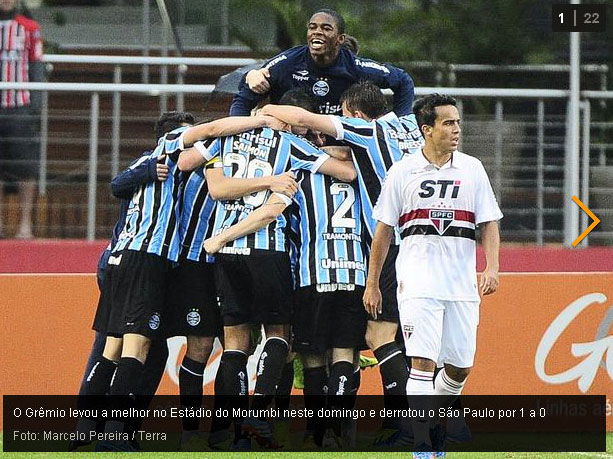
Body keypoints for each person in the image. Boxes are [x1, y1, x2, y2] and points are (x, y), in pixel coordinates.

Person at [83, 113, 283, 452]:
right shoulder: (176, 157)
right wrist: (259, 120)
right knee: (141, 345)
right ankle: (118, 431)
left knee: (125, 345)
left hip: (149, 260)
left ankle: (94, 427)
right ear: (178, 137)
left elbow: (117, 184)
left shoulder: (150, 166)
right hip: (167, 262)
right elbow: (213, 133)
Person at [177, 95, 356, 450]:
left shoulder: (223, 139)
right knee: (279, 334)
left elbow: (204, 178)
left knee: (235, 344)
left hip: (226, 251)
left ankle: (224, 430)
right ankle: (258, 411)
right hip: (267, 248)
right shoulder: (290, 144)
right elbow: (347, 172)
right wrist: (275, 177)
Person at [260, 81, 424, 442]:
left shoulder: (363, 134)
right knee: (404, 339)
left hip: (378, 250)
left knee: (373, 336)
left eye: (345, 117)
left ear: (358, 116)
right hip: (425, 245)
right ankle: (414, 422)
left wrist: (264, 112)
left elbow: (307, 121)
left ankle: (397, 426)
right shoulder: (409, 125)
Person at [363, 94, 502, 458]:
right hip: (417, 282)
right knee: (422, 361)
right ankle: (424, 444)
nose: (457, 129)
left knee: (459, 368)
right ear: (426, 129)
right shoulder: (402, 171)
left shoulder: (472, 168)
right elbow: (383, 231)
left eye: (457, 122)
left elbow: (488, 222)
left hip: (461, 284)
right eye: (448, 123)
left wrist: (491, 266)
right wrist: (373, 282)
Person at [230, 8, 414, 117]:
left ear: (340, 39)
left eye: (326, 28)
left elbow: (403, 80)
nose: (317, 32)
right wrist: (251, 77)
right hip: (289, 141)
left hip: (338, 145)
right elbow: (243, 99)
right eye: (312, 27)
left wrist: (402, 124)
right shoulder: (286, 63)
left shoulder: (357, 68)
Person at [0, 0, 44, 239]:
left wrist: (34, 106)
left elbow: (37, 66)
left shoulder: (29, 27)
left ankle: (25, 224)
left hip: (19, 107)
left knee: (26, 166)